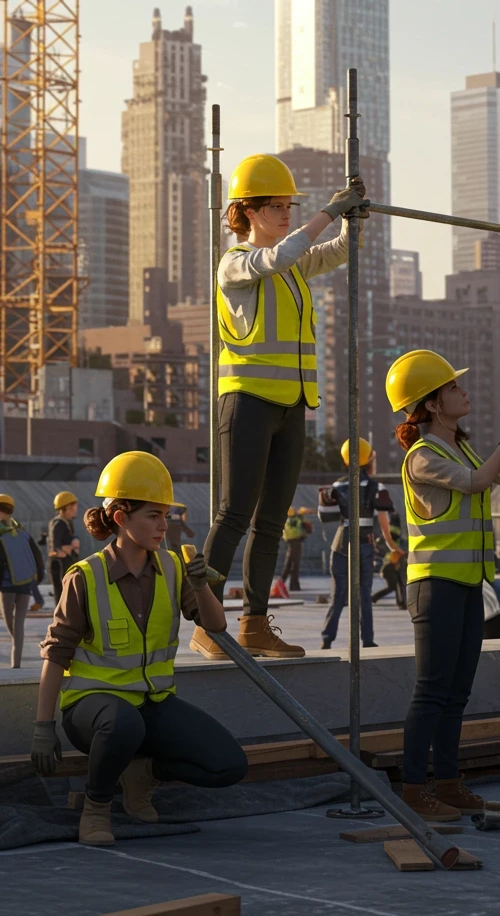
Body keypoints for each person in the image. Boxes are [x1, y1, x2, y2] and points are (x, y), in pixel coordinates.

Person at [196, 153, 367, 661]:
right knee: (234, 513)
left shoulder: (292, 269)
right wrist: (330, 212)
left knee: (271, 521)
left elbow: (335, 252)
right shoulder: (237, 263)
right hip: (247, 403)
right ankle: (206, 623)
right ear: (247, 211)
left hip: (291, 406)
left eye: (290, 205)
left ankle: (252, 624)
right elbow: (281, 255)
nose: (287, 213)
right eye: (275, 206)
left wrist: (357, 218)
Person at [33, 452, 247, 845]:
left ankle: (141, 778)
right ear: (120, 518)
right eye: (153, 515)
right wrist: (43, 728)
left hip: (150, 703)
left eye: (165, 515)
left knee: (229, 764)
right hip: (93, 709)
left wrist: (201, 585)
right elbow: (56, 654)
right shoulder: (86, 577)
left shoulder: (171, 568)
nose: (163, 526)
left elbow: (215, 626)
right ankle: (96, 810)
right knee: (123, 723)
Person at [386, 349, 500, 821]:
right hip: (435, 587)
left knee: (456, 692)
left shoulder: (460, 448)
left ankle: (448, 785)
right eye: (452, 387)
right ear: (430, 404)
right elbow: (477, 483)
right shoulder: (423, 456)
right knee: (431, 691)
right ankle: (413, 790)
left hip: (469, 584)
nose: (463, 391)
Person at [319, 438, 393, 649]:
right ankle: (367, 640)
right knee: (364, 595)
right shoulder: (376, 486)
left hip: (340, 544)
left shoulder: (337, 485)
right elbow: (384, 524)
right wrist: (392, 546)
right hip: (364, 546)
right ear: (368, 459)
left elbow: (328, 516)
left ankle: (327, 639)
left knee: (338, 594)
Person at [0, 493, 44, 667]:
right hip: (25, 584)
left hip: (7, 586)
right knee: (19, 624)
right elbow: (36, 555)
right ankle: (16, 664)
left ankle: (15, 661)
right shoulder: (21, 531)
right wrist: (37, 578)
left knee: (10, 622)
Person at [48, 491, 80, 603]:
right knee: (62, 596)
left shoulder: (67, 522)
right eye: (74, 506)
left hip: (66, 564)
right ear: (67, 507)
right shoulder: (59, 523)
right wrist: (70, 547)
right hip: (60, 565)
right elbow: (56, 547)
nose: (76, 509)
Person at [373, 513, 408, 609]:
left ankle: (401, 603)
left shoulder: (391, 532)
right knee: (397, 584)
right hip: (390, 564)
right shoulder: (393, 532)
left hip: (390, 563)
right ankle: (401, 603)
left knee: (396, 585)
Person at [280, 507, 312, 592]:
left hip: (290, 542)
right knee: (295, 565)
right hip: (296, 542)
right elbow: (308, 529)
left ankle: (283, 583)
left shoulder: (288, 520)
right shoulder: (299, 518)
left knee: (289, 563)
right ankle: (293, 585)